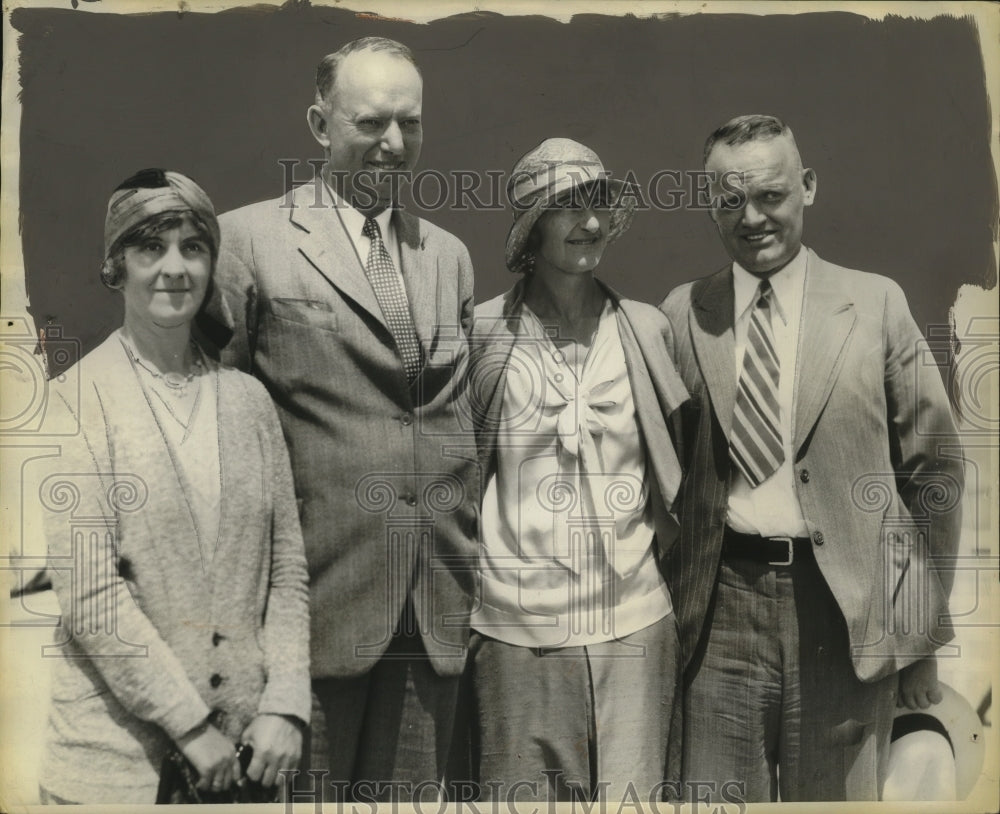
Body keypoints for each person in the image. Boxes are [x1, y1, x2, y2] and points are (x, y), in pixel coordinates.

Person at [659, 114, 964, 801]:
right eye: (729, 200)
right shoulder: (683, 312)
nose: (752, 218)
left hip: (845, 616)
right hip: (719, 618)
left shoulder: (876, 304)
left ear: (808, 187)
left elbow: (934, 474)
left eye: (771, 195)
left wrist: (918, 638)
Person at [205, 38, 479, 799]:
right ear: (320, 124)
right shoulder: (248, 240)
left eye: (410, 122)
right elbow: (212, 440)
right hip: (308, 625)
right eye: (370, 122)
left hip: (431, 618)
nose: (393, 143)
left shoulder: (448, 255)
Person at [39, 169, 311, 804]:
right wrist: (189, 724)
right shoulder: (75, 402)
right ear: (116, 267)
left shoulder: (248, 403)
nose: (174, 268)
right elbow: (91, 596)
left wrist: (287, 704)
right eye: (149, 248)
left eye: (193, 248)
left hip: (246, 762)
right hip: (116, 769)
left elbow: (287, 572)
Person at [467, 138, 689, 802]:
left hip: (637, 629)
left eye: (597, 204)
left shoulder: (647, 330)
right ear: (531, 226)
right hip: (515, 633)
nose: (588, 224)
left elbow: (680, 476)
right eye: (566, 206)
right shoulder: (480, 334)